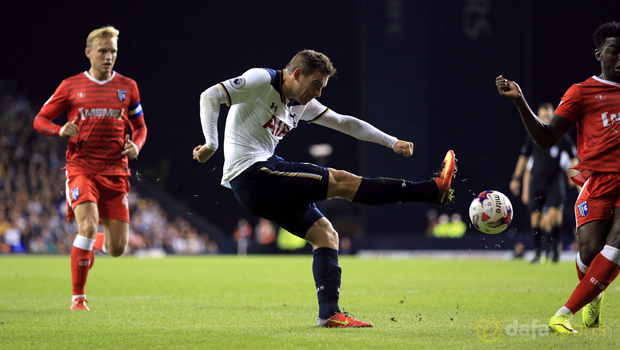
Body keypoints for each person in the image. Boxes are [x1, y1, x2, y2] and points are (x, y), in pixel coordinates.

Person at [193, 49, 456, 328]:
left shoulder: (300, 103)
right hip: (253, 174)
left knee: (326, 235)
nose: (319, 93)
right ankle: (430, 191)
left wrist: (392, 142)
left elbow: (344, 122)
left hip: (259, 183)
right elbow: (210, 96)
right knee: (342, 181)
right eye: (317, 84)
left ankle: (329, 314)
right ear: (297, 74)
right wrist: (211, 143)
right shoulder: (261, 80)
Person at [496, 21, 620, 334]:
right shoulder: (583, 93)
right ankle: (594, 294)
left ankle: (562, 314)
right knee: (590, 253)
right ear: (599, 55)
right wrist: (520, 100)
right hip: (599, 182)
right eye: (614, 52)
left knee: (617, 243)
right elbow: (547, 137)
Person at [33, 26, 147, 311]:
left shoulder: (128, 87)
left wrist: (137, 146)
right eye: (103, 51)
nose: (109, 57)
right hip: (81, 168)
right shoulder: (71, 86)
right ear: (89, 53)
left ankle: (90, 245)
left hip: (116, 172)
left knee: (118, 249)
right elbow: (40, 119)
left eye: (113, 52)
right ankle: (78, 297)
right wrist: (60, 130)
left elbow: (140, 127)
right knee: (86, 225)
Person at [509, 103, 579, 264]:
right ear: (538, 117)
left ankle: (554, 248)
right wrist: (515, 178)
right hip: (536, 183)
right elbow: (523, 158)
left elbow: (573, 158)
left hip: (555, 182)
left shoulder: (562, 136)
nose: (546, 118)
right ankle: (538, 252)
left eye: (549, 115)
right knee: (536, 219)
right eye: (543, 115)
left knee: (555, 217)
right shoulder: (533, 135)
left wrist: (576, 176)